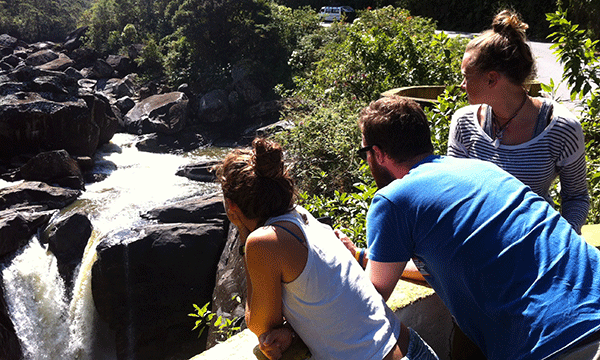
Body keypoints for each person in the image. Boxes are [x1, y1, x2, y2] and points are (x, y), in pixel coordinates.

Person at [339, 95, 600, 360]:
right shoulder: (483, 169)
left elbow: (370, 298)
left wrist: (331, 264)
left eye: (365, 153)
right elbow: (449, 264)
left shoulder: (393, 200)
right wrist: (362, 256)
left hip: (556, 343)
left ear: (378, 153)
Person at [213, 138, 439, 360]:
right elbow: (325, 301)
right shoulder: (303, 217)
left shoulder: (263, 242)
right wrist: (292, 332)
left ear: (232, 206)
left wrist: (244, 237)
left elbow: (260, 325)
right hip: (415, 348)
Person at [447, 9, 589, 234]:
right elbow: (454, 193)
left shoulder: (561, 127)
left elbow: (577, 197)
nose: (461, 85)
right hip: (479, 247)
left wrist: (561, 242)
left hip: (537, 245)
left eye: (466, 76)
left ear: (492, 79)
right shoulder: (463, 123)